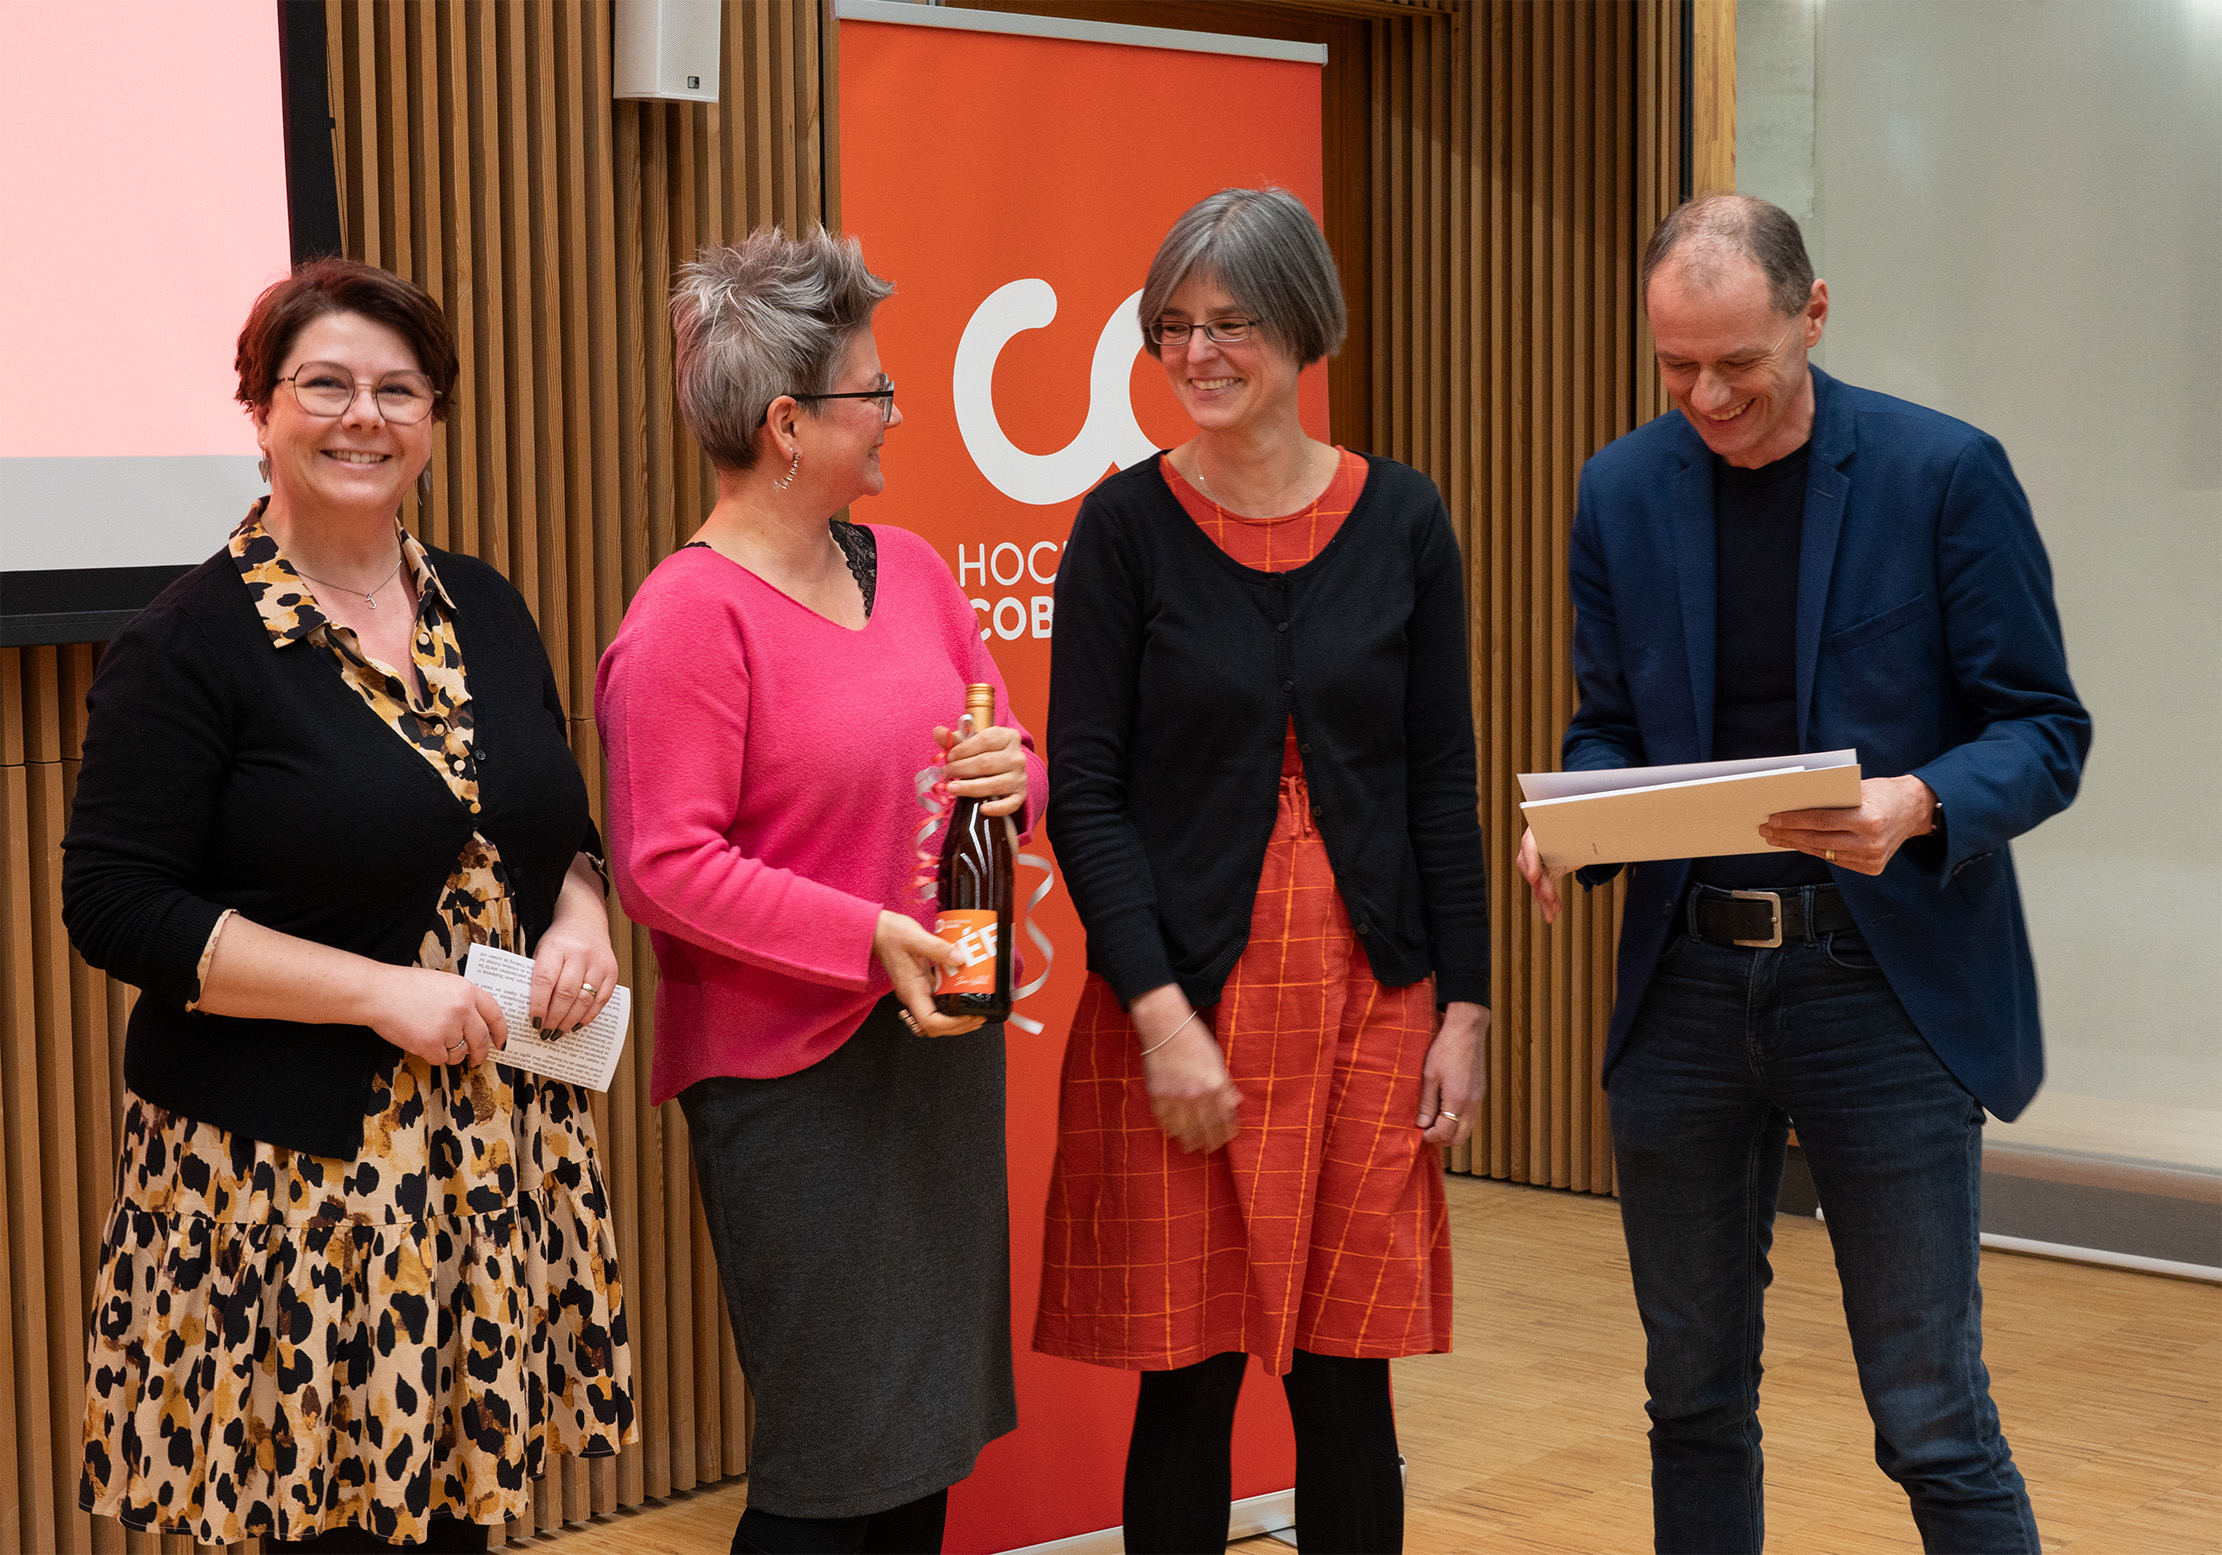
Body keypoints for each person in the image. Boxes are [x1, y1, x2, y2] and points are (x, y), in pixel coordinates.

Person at [1516, 194, 2088, 1553]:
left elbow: (2043, 729)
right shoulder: (1617, 489)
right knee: (1691, 1398)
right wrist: (1575, 810)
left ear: (1810, 315)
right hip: (1686, 989)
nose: (1704, 396)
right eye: (1673, 367)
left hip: (1879, 982)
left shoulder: (1939, 474)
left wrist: (1922, 799)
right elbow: (1608, 718)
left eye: (1736, 363)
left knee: (1929, 1413)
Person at [62, 258, 636, 1551]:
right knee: (325, 1535)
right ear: (259, 408)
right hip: (281, 1186)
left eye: (398, 389)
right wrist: (379, 994)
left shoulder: (484, 604)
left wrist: (581, 919)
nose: (361, 416)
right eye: (323, 384)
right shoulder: (187, 640)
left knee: (459, 1525)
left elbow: (549, 826)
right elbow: (111, 905)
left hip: (486, 1158)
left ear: (434, 419)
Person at [1035, 187, 1490, 1555]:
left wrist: (1463, 1007)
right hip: (1177, 1010)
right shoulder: (1120, 528)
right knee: (1186, 1381)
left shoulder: (1403, 520)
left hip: (1369, 1000)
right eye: (1171, 325)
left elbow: (1439, 782)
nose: (1198, 352)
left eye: (1230, 322)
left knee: (1351, 1383)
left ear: (1302, 326)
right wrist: (1157, 1014)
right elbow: (1088, 798)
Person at [595, 228, 1044, 1555]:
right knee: (832, 1475)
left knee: (918, 1456)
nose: (896, 416)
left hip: (938, 1058)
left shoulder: (907, 569)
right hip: (795, 1086)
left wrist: (1010, 769)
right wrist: (869, 940)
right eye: (874, 395)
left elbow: (1005, 747)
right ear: (788, 424)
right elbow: (663, 867)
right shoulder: (684, 620)